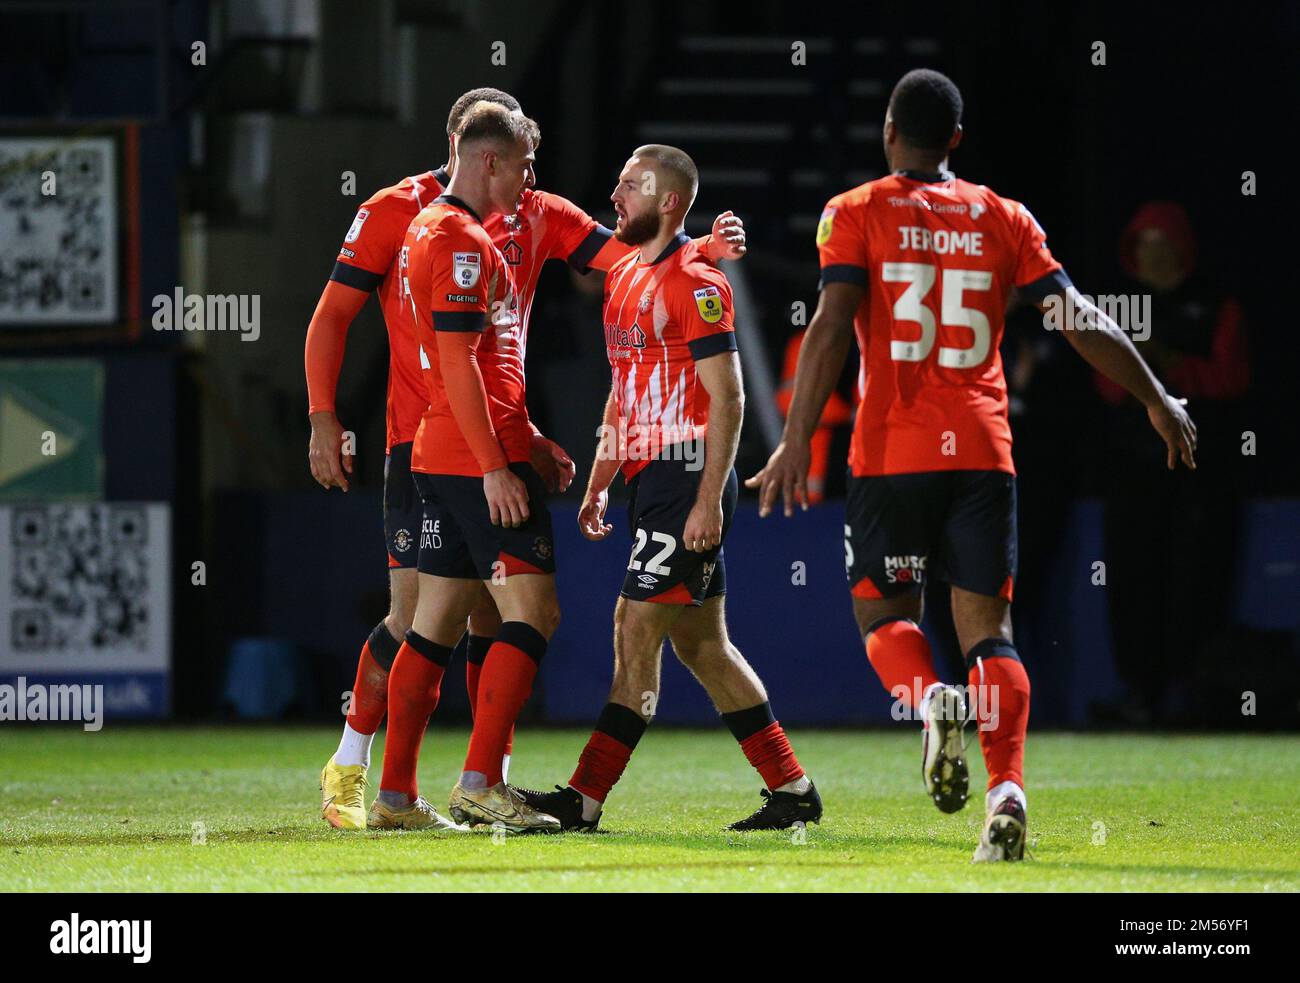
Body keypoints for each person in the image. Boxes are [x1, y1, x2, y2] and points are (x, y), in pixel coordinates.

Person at [747, 69, 1197, 861]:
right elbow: (1078, 317)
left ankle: (929, 702)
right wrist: (1156, 395)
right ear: (956, 138)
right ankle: (1007, 791)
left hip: (892, 453)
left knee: (886, 617)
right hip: (985, 454)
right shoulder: (1004, 217)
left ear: (890, 131)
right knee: (991, 632)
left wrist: (792, 436)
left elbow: (828, 326)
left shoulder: (854, 211)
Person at [308, 87, 746, 830]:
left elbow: (626, 260)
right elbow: (343, 320)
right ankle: (360, 765)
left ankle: (432, 788)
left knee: (460, 617)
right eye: (521, 163)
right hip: (438, 443)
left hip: (477, 437)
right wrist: (326, 418)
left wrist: (693, 248)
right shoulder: (411, 217)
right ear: (477, 153)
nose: (532, 179)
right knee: (467, 612)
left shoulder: (526, 217)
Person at [518, 146, 820, 832]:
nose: (617, 195)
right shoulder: (625, 275)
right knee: (703, 647)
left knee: (635, 630)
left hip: (688, 476)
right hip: (651, 479)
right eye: (619, 181)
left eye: (633, 186)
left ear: (671, 204)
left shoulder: (696, 282)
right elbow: (623, 397)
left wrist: (709, 496)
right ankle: (794, 791)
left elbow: (731, 398)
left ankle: (584, 799)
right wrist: (599, 483)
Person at [1094, 201, 1249, 723]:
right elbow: (1107, 386)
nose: (1154, 256)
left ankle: (1193, 692)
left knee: (1196, 578)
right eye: (1145, 245)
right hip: (1134, 470)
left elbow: (1230, 379)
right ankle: (1140, 694)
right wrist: (1141, 379)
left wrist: (1165, 366)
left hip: (1199, 471)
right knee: (1132, 579)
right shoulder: (1120, 307)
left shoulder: (1214, 304)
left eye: (1164, 244)